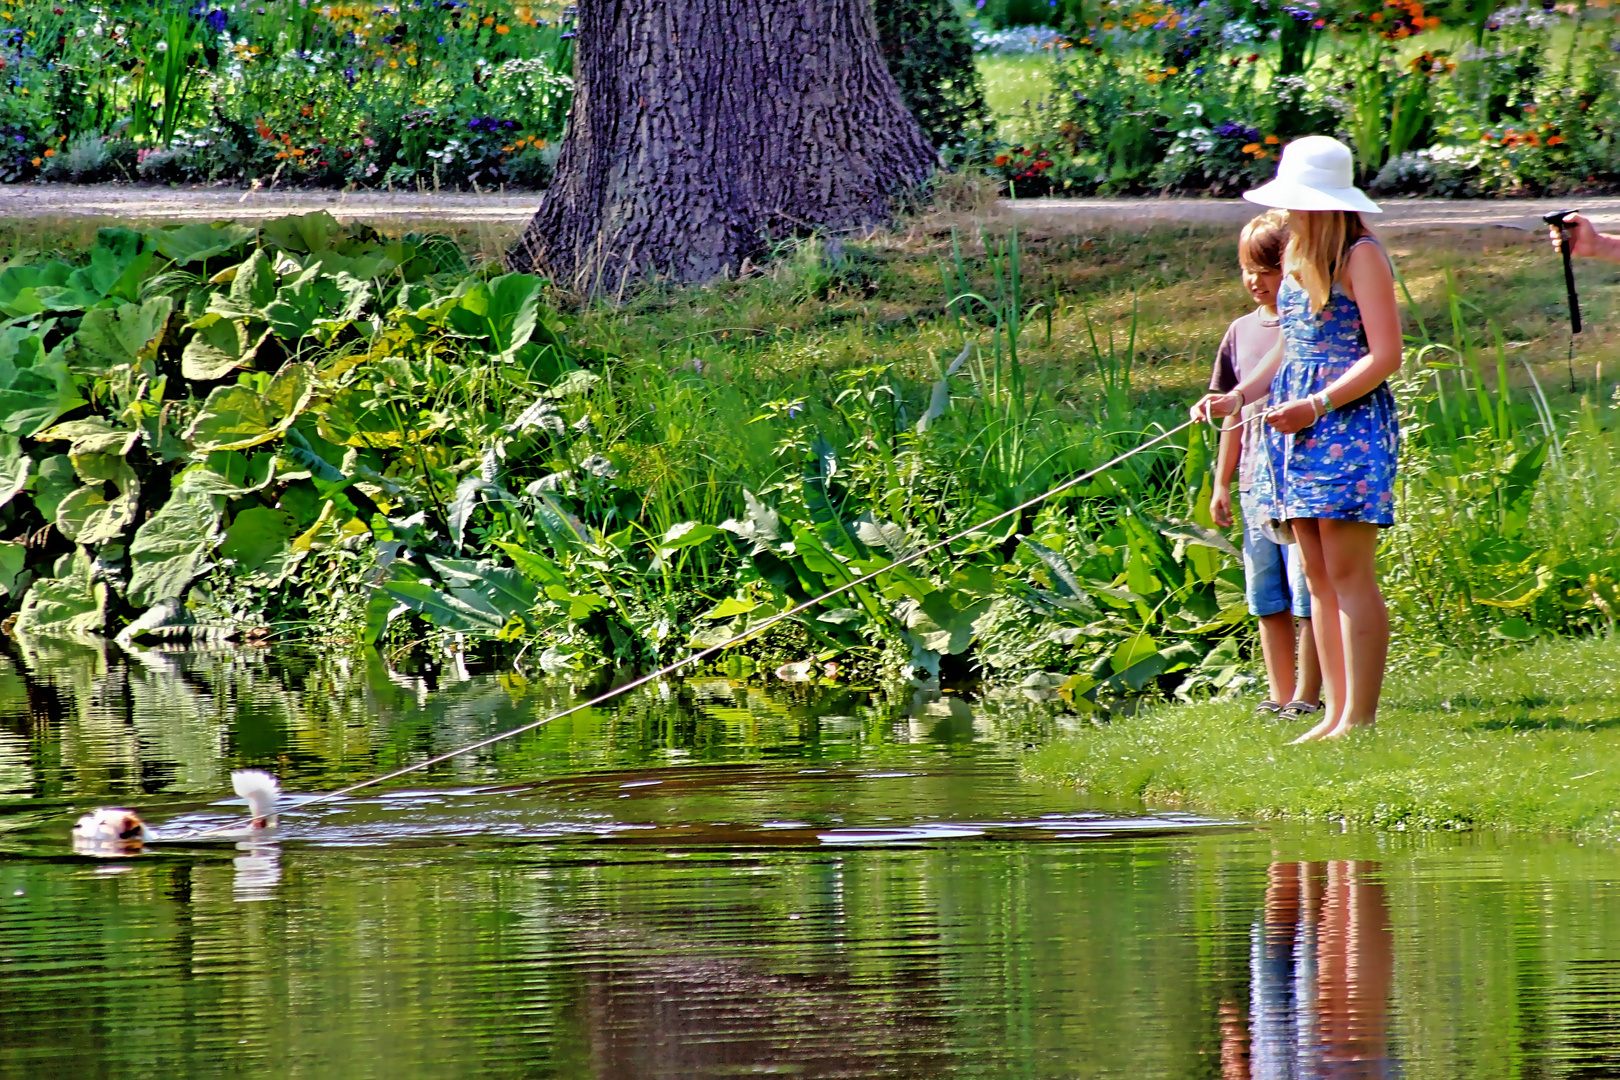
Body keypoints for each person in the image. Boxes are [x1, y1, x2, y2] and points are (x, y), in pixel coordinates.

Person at [1192, 136, 1402, 742]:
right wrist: (1241, 395)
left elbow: (1386, 354)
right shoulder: (1297, 255)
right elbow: (1290, 342)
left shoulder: (1362, 255)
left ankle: (1358, 717)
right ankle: (1331, 714)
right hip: (1293, 425)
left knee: (1347, 571)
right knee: (1313, 574)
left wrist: (1318, 403)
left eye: (1298, 202)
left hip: (1346, 421)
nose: (1290, 213)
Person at [1210, 209, 1322, 721]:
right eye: (1246, 269)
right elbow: (1230, 416)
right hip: (1255, 483)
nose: (1256, 281)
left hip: (1298, 481)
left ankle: (1308, 695)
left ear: (1294, 268)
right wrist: (1222, 485)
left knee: (1307, 593)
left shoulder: (1311, 329)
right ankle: (1278, 695)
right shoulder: (1237, 333)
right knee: (1266, 596)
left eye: (1268, 269)